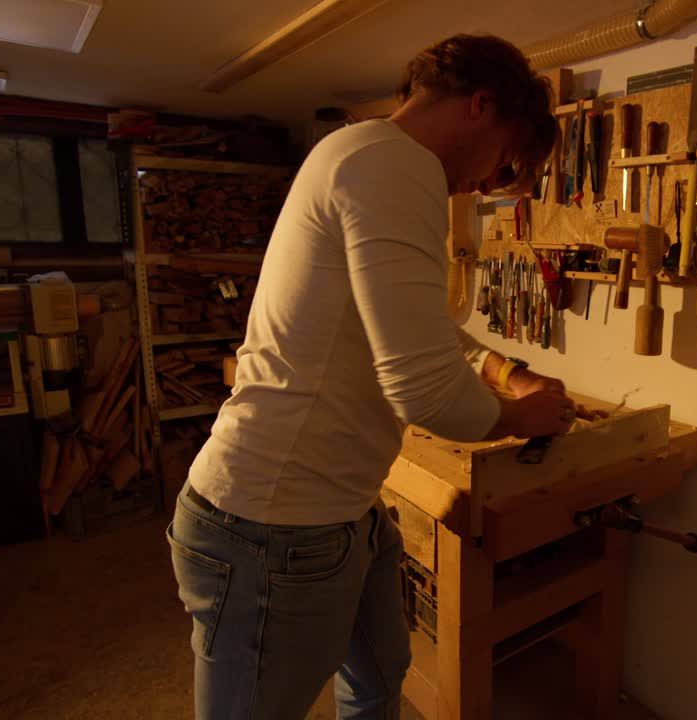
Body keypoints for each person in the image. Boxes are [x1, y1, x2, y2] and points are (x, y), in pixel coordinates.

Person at [167, 34, 569, 720]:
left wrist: (508, 371)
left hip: (341, 512)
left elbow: (422, 329)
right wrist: (512, 418)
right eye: (502, 159)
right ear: (481, 105)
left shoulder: (359, 152)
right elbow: (423, 390)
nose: (483, 184)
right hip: (272, 525)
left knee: (382, 677)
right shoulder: (394, 166)